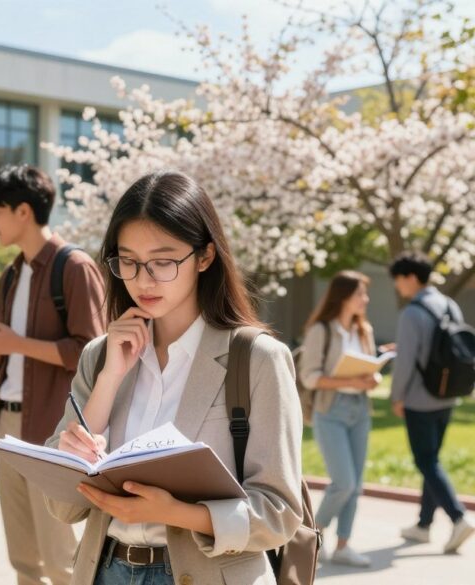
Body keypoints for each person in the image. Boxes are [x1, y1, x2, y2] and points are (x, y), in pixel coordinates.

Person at [48, 171, 303, 585]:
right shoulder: (99, 356)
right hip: (104, 570)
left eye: (163, 262)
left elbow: (279, 513)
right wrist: (110, 378)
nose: (144, 279)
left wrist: (173, 513)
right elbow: (63, 505)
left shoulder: (256, 359)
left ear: (204, 257)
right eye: (128, 261)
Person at [0, 164, 107, 585]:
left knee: (59, 559)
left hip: (52, 430)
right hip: (7, 425)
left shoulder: (75, 267)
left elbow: (94, 353)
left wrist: (16, 344)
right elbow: (15, 352)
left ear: (23, 211)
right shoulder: (12, 274)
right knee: (23, 558)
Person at [389, 252, 474, 554]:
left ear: (410, 277)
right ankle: (424, 525)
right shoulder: (449, 304)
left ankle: (458, 517)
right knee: (433, 459)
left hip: (419, 399)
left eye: (398, 281)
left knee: (426, 460)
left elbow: (406, 364)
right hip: (447, 394)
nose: (398, 287)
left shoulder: (412, 313)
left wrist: (396, 396)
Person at [298, 271, 379, 566]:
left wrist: (371, 379)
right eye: (361, 293)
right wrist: (350, 382)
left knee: (356, 485)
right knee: (343, 483)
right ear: (343, 296)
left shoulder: (364, 331)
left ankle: (343, 545)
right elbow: (309, 376)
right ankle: (311, 536)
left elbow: (367, 368)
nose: (365, 299)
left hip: (360, 409)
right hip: (330, 410)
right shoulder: (322, 330)